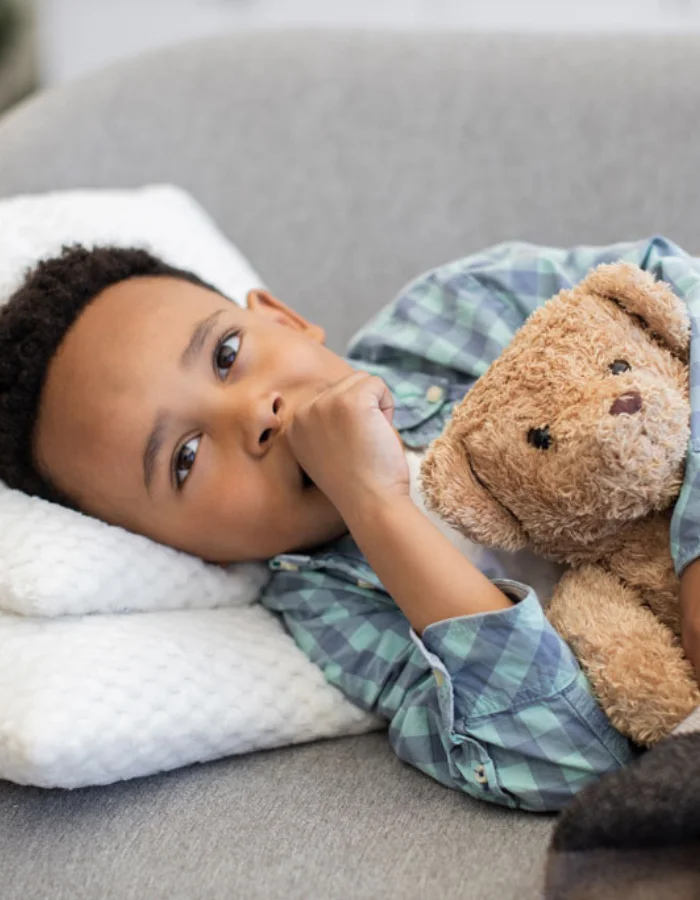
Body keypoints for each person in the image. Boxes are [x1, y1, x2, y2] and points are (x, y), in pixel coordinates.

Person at [3, 235, 700, 812]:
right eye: (185, 458)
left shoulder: (451, 314)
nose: (255, 414)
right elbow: (570, 762)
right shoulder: (333, 616)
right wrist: (376, 505)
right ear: (183, 551)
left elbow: (673, 299)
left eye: (226, 356)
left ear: (283, 317)